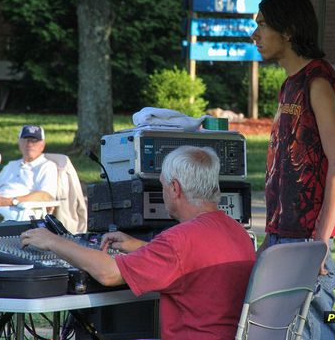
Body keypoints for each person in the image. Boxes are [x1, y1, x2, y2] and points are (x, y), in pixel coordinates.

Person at [21, 146, 256, 340]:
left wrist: (53, 240)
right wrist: (140, 246)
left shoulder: (181, 239)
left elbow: (109, 273)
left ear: (175, 188)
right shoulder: (238, 232)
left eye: (163, 185)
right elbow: (194, 264)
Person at [251, 0, 335, 340]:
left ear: (289, 30)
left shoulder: (318, 82)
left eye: (262, 26)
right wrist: (271, 234)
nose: (255, 36)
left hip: (308, 241)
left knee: (309, 330)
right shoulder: (289, 84)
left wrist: (320, 242)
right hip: (284, 235)